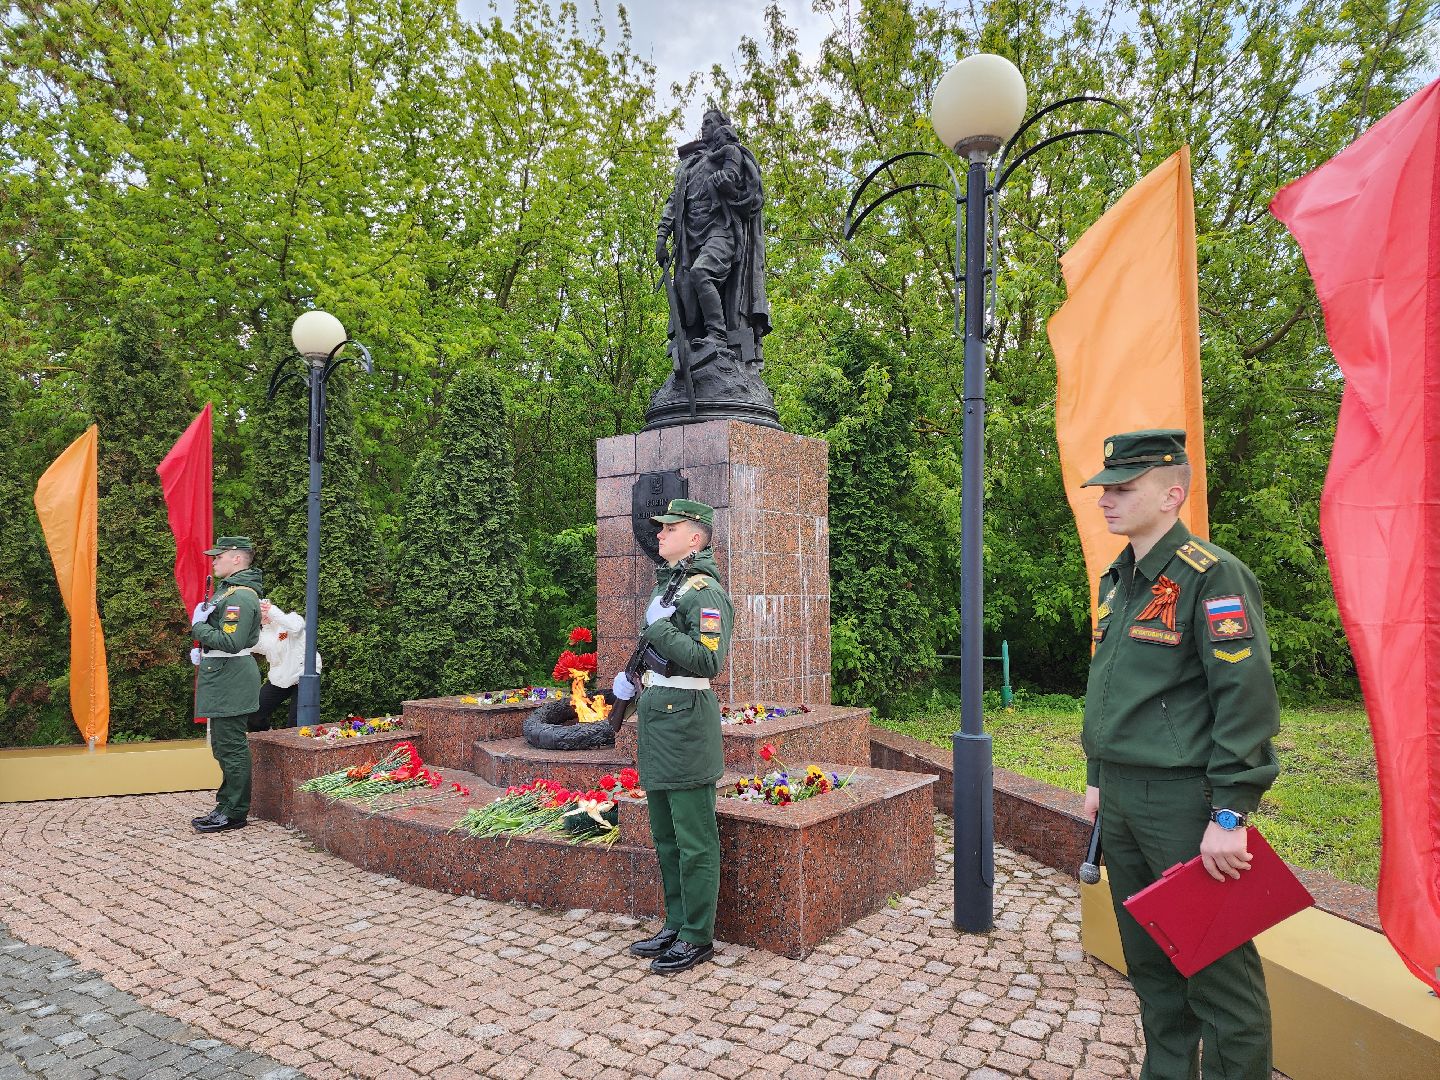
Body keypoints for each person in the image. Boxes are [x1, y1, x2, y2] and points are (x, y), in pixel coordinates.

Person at [1080, 430, 1280, 1079]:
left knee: (1219, 979)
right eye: (1105, 487)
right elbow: (1113, 689)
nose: (1106, 499)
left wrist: (1230, 814)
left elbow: (1244, 697)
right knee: (1152, 969)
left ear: (1172, 492)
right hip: (1125, 801)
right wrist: (1097, 775)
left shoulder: (1210, 575)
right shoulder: (1121, 580)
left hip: (1182, 804)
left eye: (1123, 487)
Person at [612, 498, 734, 974]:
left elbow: (709, 662)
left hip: (686, 721)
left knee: (694, 837)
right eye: (660, 528)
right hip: (660, 716)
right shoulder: (673, 585)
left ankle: (698, 936)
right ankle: (675, 923)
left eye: (670, 528)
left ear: (696, 537)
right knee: (665, 833)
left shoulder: (704, 592)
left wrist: (659, 631)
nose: (659, 534)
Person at [189, 536, 264, 833]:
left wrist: (199, 628)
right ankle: (225, 805)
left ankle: (235, 811)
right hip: (224, 674)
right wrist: (205, 648)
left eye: (219, 556)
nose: (214, 560)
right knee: (223, 744)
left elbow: (231, 641)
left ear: (236, 558)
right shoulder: (228, 592)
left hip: (231, 677)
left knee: (231, 746)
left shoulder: (239, 597)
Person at [247, 599, 319, 732]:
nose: (263, 615)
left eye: (264, 610)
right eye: (258, 612)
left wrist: (272, 610)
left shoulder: (292, 618)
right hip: (281, 678)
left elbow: (296, 628)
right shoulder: (262, 635)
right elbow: (246, 645)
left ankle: (296, 751)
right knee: (254, 714)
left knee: (296, 723)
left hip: (303, 675)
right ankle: (268, 737)